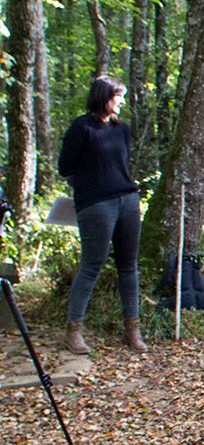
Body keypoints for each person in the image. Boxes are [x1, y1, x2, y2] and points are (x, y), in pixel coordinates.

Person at [58, 76, 146, 355]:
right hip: (96, 205)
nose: (122, 100)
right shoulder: (81, 127)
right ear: (103, 96)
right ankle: (73, 333)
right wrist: (90, 190)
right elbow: (66, 168)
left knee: (128, 267)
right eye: (118, 95)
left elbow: (122, 164)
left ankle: (132, 331)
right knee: (91, 266)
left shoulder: (122, 129)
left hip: (128, 201)